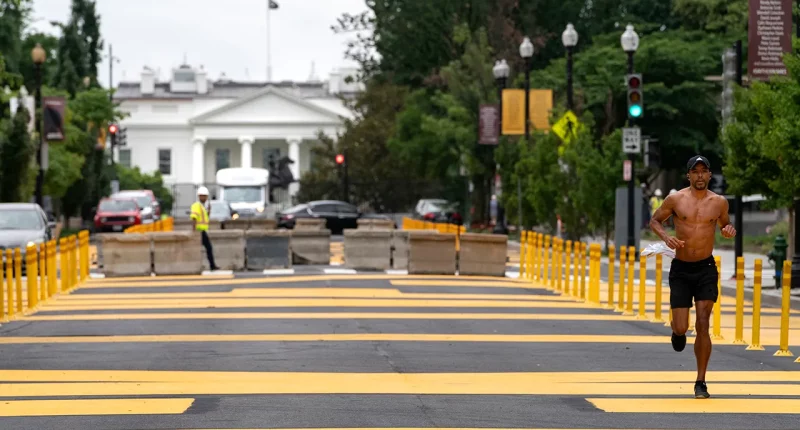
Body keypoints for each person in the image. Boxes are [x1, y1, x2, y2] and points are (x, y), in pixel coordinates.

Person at [649, 155, 736, 399]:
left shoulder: (719, 202)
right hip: (681, 268)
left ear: (709, 175)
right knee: (681, 326)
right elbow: (655, 220)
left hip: (706, 268)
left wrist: (728, 230)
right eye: (695, 171)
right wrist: (667, 238)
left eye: (703, 171)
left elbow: (725, 226)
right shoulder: (675, 199)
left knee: (703, 322)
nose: (699, 175)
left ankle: (701, 381)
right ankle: (677, 333)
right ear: (688, 175)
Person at [191, 186, 220, 271]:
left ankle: (212, 265)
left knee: (207, 248)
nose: (205, 198)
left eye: (206, 196)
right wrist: (194, 230)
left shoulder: (202, 206)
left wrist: (208, 211)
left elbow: (205, 218)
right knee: (208, 248)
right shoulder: (197, 205)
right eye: (203, 196)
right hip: (199, 231)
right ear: (199, 196)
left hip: (202, 230)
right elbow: (194, 218)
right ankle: (212, 266)